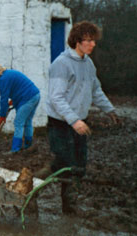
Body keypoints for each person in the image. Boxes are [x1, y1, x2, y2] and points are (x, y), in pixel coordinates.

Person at [45, 21, 119, 214]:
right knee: (63, 165)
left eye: (94, 40)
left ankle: (69, 205)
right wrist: (74, 120)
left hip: (78, 122)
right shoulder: (61, 64)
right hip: (60, 124)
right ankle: (32, 189)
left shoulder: (88, 63)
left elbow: (95, 90)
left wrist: (110, 110)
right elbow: (56, 98)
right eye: (89, 40)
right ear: (77, 42)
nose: (93, 44)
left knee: (79, 165)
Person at [0, 64, 40, 153]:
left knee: (18, 122)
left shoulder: (3, 79)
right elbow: (18, 88)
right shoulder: (9, 73)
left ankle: (15, 149)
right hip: (35, 95)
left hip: (28, 98)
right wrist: (13, 101)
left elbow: (3, 99)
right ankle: (28, 145)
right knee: (27, 121)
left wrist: (2, 116)